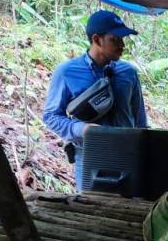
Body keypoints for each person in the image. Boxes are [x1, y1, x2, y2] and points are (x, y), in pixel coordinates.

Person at [43, 10, 147, 190]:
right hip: (90, 156)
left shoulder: (128, 72)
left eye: (123, 39)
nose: (122, 45)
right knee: (90, 209)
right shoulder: (67, 72)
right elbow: (51, 116)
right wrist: (81, 129)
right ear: (97, 40)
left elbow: (140, 118)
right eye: (115, 39)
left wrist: (145, 148)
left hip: (128, 154)